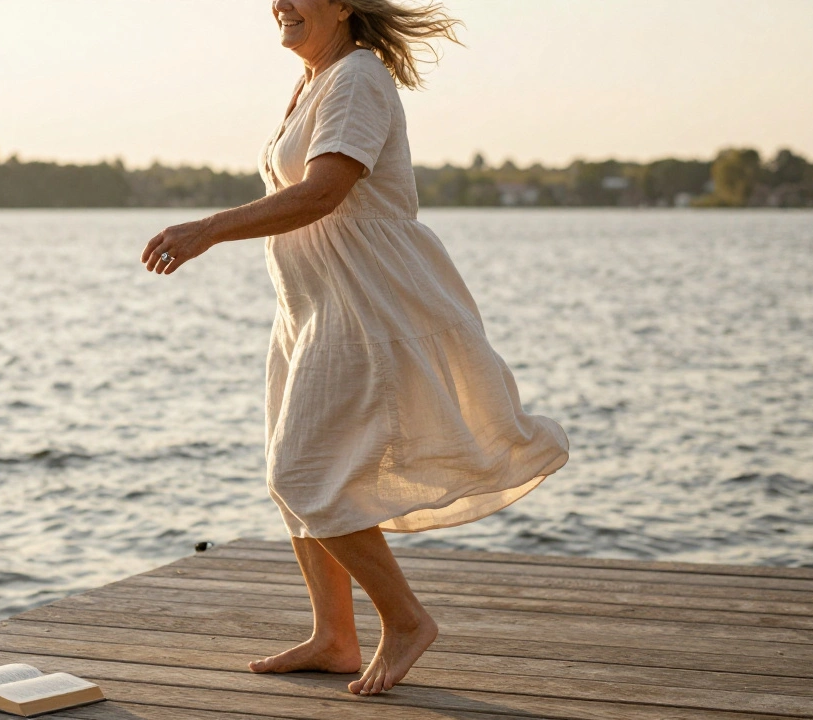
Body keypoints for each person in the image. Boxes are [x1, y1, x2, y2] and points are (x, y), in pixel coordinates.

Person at [139, 0, 570, 697]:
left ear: (342, 5)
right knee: (300, 474)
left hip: (363, 303)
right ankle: (334, 637)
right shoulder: (318, 78)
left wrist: (208, 229)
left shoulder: (357, 79)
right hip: (311, 307)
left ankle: (404, 620)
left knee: (303, 473)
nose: (280, 4)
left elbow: (324, 193)